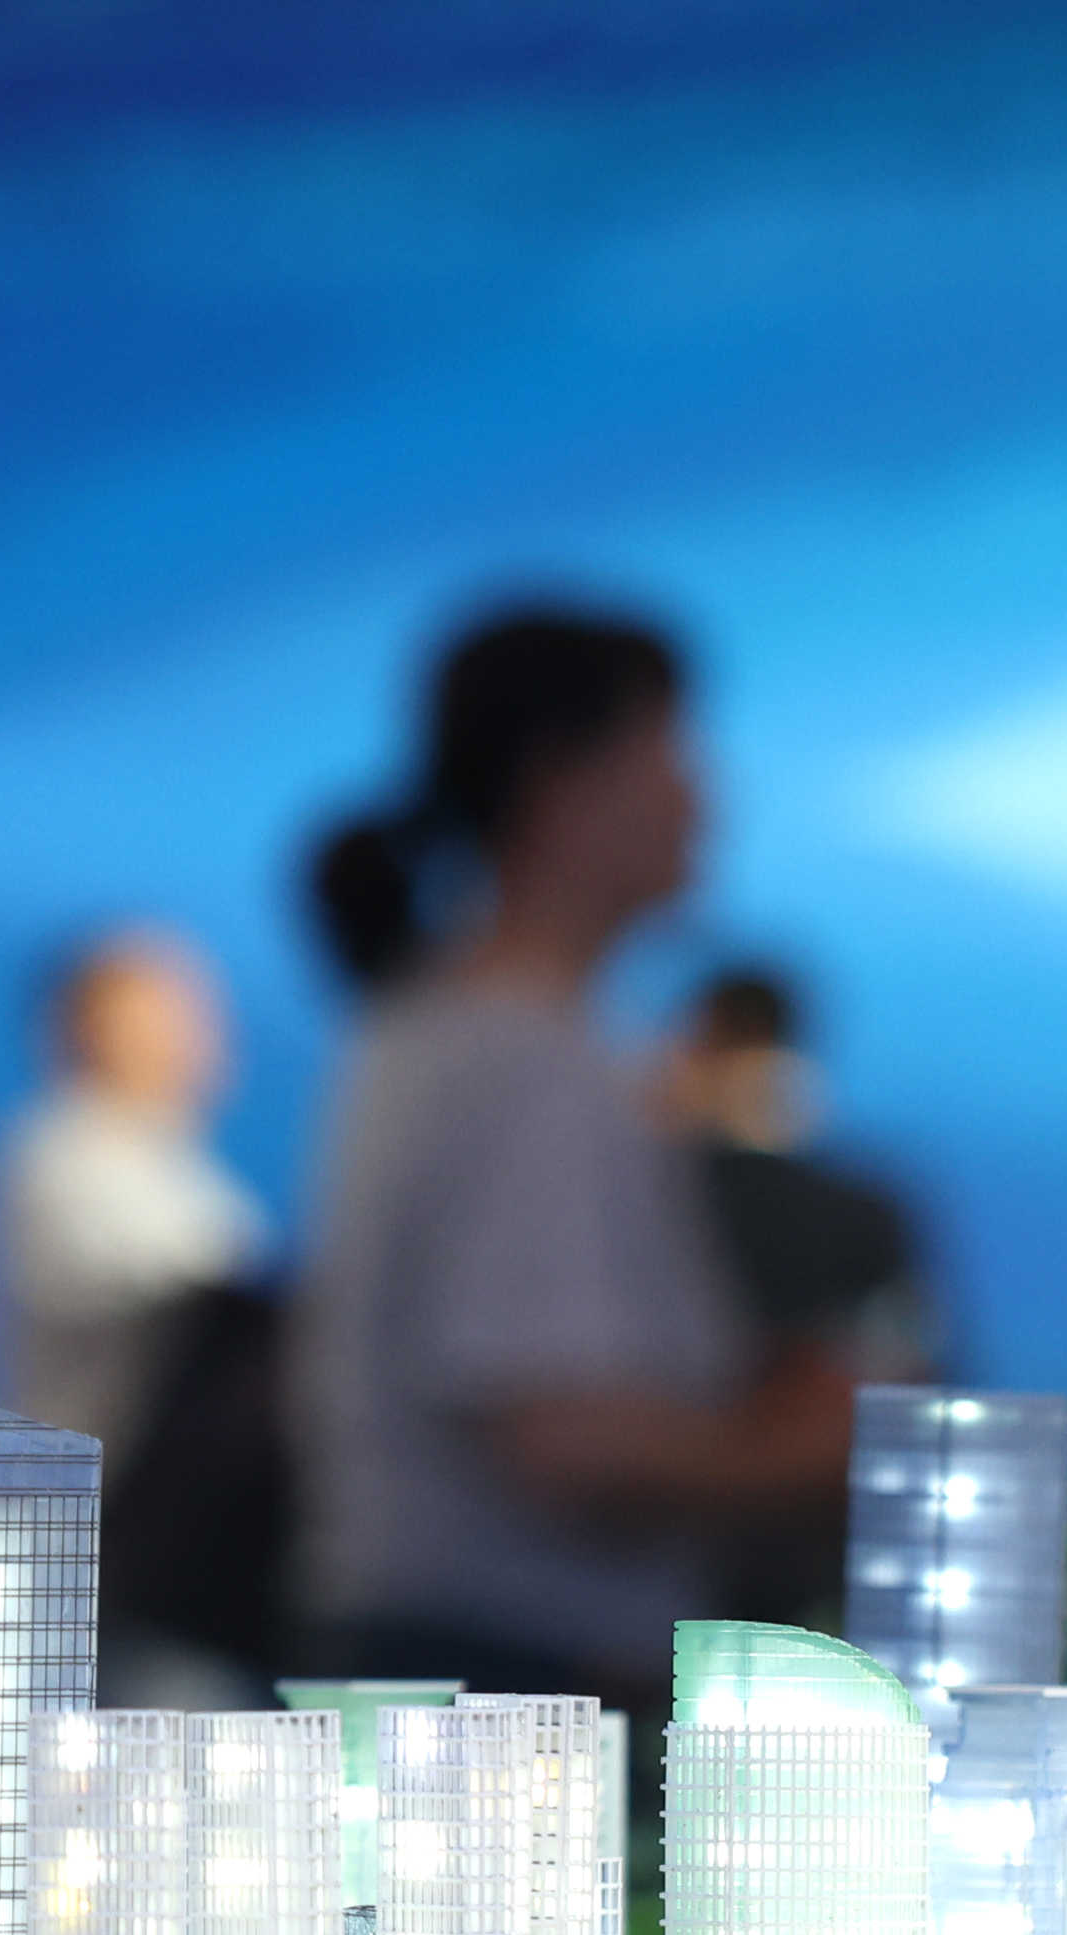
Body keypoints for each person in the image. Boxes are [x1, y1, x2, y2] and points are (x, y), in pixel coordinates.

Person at [286, 606, 848, 1716]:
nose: (701, 800)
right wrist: (818, 1441)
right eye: (670, 753)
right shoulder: (526, 1057)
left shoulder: (431, 1024)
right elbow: (563, 1442)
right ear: (562, 780)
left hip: (431, 1680)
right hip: (501, 1702)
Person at [653, 961, 938, 1632]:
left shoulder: (653, 1200)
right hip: (813, 1562)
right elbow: (909, 1378)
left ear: (696, 1044)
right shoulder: (864, 1208)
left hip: (654, 1542)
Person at [0, 924, 266, 1461]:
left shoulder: (184, 1171)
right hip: (108, 1488)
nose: (203, 1033)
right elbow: (187, 1301)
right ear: (92, 1029)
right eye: (172, 1013)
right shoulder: (62, 1156)